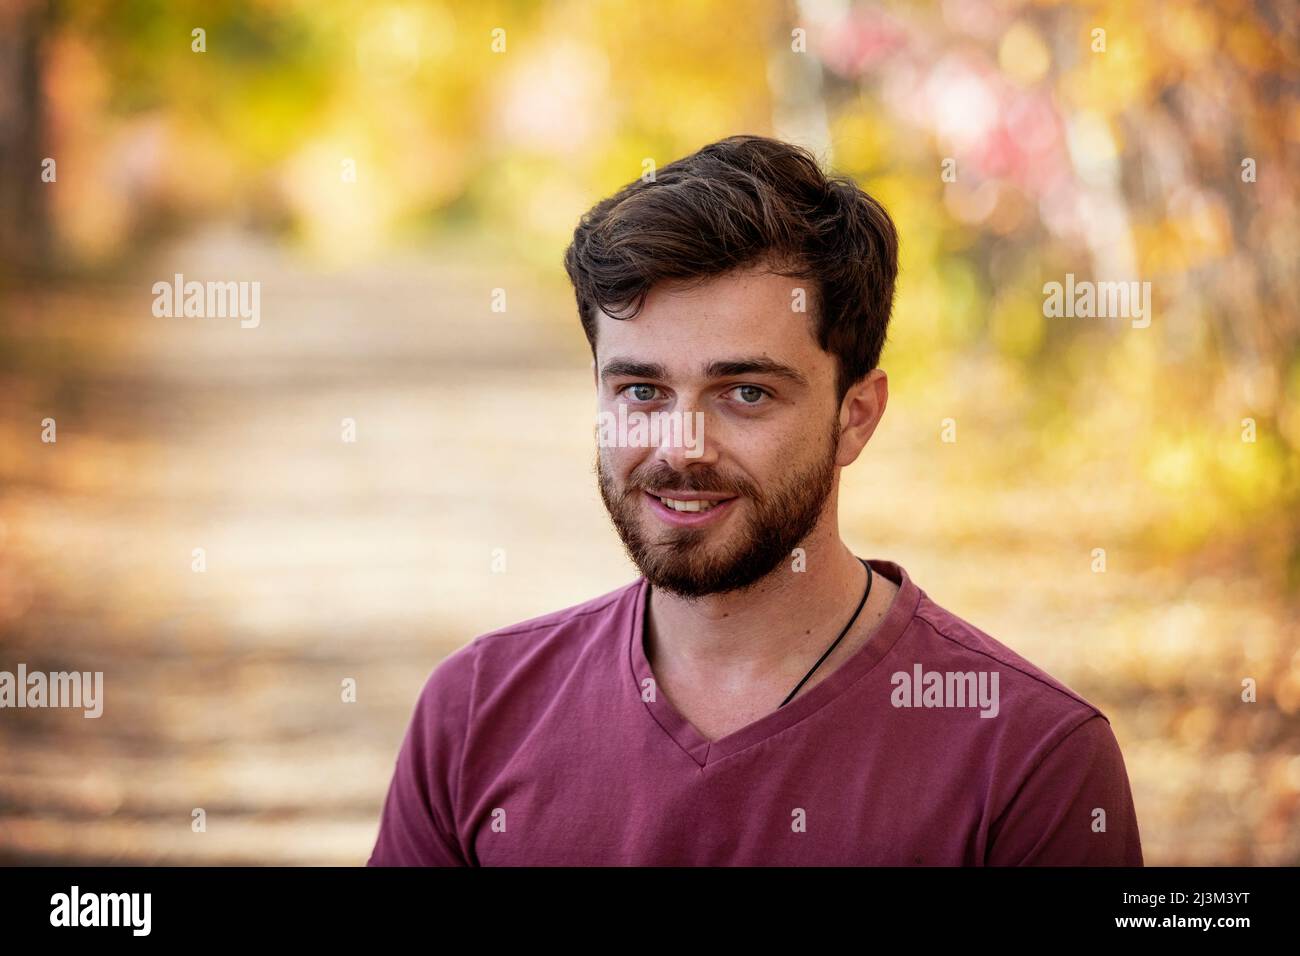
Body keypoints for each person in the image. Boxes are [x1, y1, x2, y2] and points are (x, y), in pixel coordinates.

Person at [368, 134, 1143, 866]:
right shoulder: (475, 716)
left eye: (745, 392)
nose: (681, 446)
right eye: (642, 389)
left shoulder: (1027, 759)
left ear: (855, 417)